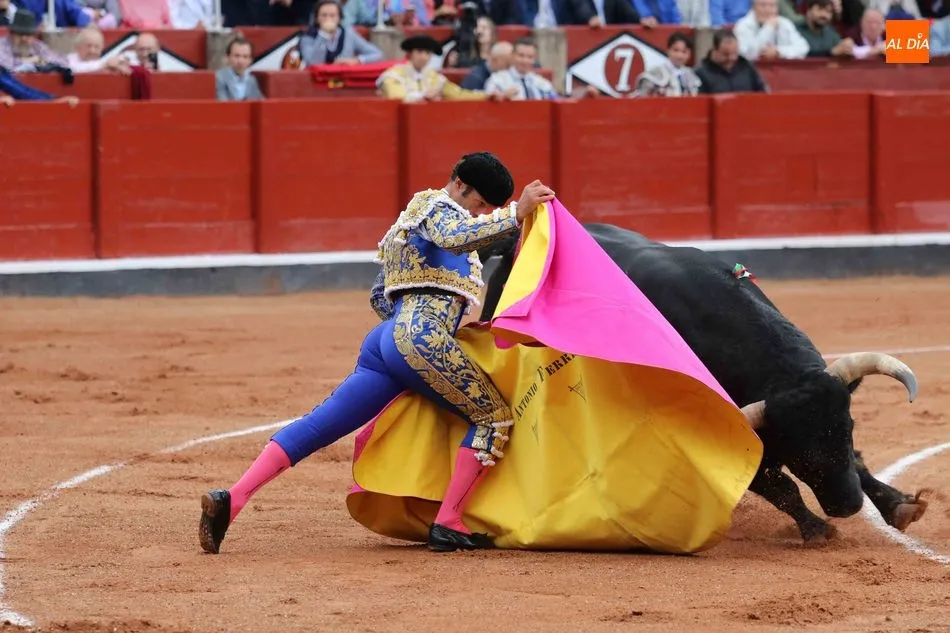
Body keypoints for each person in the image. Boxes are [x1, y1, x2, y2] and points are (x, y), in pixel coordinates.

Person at [199, 153, 556, 555]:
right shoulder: (434, 206)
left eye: (487, 209)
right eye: (479, 204)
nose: (481, 213)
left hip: (388, 342)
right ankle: (449, 522)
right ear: (458, 184)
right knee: (493, 417)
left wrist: (404, 336)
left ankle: (233, 500)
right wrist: (515, 214)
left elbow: (378, 293)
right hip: (418, 339)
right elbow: (456, 236)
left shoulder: (410, 223)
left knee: (320, 425)